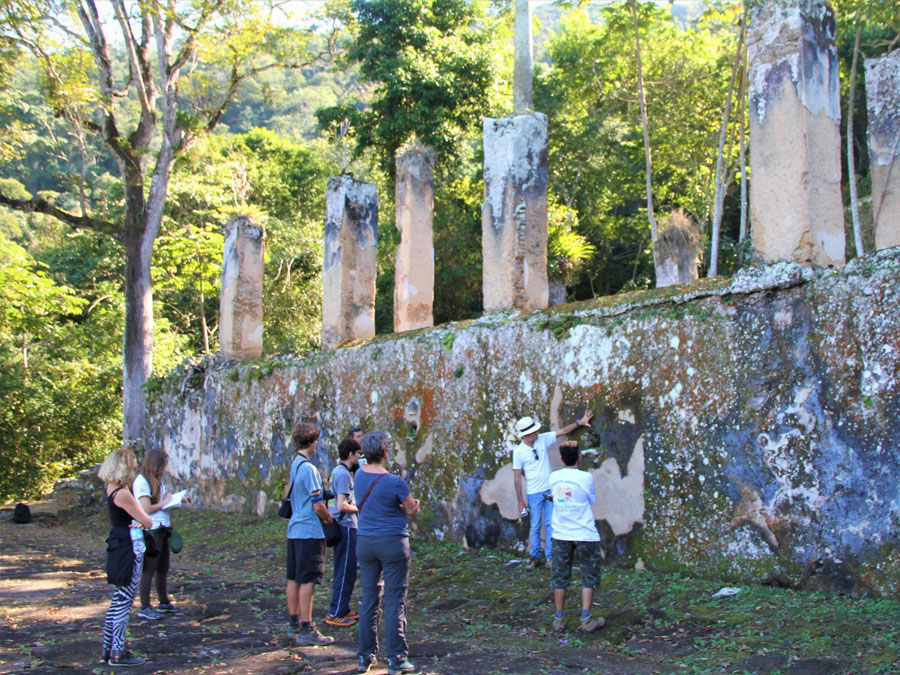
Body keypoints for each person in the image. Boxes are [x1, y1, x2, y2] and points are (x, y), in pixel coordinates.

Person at [354, 431, 420, 675]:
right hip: (392, 542)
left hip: (365, 541)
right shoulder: (395, 482)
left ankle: (364, 656)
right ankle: (396, 658)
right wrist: (410, 507)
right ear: (384, 452)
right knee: (394, 600)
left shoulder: (359, 475)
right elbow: (411, 508)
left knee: (369, 599)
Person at [512, 409, 594, 569]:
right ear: (526, 435)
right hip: (534, 492)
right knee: (535, 525)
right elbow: (517, 477)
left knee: (551, 524)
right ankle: (534, 557)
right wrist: (520, 501)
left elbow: (563, 431)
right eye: (534, 431)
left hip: (549, 490)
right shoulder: (519, 452)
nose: (537, 433)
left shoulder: (542, 439)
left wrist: (580, 422)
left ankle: (550, 557)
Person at [98, 446, 153, 667]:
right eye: (133, 467)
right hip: (128, 546)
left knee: (118, 598)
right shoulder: (123, 494)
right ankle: (118, 651)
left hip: (118, 542)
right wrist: (141, 521)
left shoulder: (111, 488)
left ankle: (109, 648)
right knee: (124, 599)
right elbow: (147, 520)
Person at [285, 422, 336, 646]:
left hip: (295, 529)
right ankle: (307, 627)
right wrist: (328, 517)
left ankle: (293, 622)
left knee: (294, 577)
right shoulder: (309, 469)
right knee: (308, 579)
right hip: (309, 531)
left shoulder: (296, 464)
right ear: (312, 442)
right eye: (316, 440)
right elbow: (317, 504)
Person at [548, 441, 606, 633]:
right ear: (579, 458)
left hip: (561, 533)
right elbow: (592, 499)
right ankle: (586, 619)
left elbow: (556, 496)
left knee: (560, 576)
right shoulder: (586, 477)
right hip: (584, 532)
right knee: (588, 575)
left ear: (561, 459)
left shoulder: (554, 477)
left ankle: (559, 619)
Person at [133, 449, 189, 620]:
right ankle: (144, 606)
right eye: (163, 463)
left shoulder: (157, 481)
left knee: (163, 567)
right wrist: (165, 502)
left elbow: (162, 502)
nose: (165, 467)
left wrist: (178, 500)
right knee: (149, 569)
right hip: (151, 529)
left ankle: (164, 602)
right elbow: (147, 508)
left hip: (162, 527)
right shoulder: (142, 482)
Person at [326, 438, 362, 627]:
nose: (359, 458)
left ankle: (343, 607)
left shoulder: (336, 471)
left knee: (346, 569)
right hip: (345, 526)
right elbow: (341, 505)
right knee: (345, 570)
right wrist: (359, 508)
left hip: (342, 525)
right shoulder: (343, 474)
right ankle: (336, 612)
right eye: (358, 454)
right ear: (350, 454)